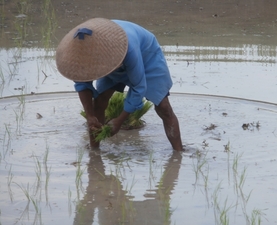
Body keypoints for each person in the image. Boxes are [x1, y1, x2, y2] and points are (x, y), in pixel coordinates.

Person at [56, 18, 183, 151]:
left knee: (164, 107)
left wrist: (119, 120)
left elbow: (139, 86)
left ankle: (179, 153)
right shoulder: (80, 57)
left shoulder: (128, 48)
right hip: (105, 60)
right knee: (99, 103)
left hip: (146, 57)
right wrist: (89, 116)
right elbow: (82, 84)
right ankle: (94, 152)